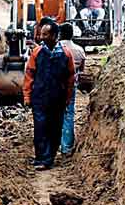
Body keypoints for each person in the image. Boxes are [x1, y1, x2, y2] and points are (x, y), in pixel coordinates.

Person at [23, 19, 76, 170]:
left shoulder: (66, 54)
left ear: (54, 36)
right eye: (41, 34)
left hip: (57, 99)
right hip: (39, 98)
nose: (41, 37)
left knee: (55, 128)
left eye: (45, 34)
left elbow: (70, 78)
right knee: (40, 127)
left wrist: (67, 98)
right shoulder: (37, 53)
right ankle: (41, 157)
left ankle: (49, 157)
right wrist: (27, 96)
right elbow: (29, 75)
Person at [58, 23, 85, 156]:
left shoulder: (55, 49)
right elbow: (82, 69)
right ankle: (66, 147)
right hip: (71, 86)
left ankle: (52, 146)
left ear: (60, 34)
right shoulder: (79, 50)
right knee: (68, 114)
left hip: (55, 86)